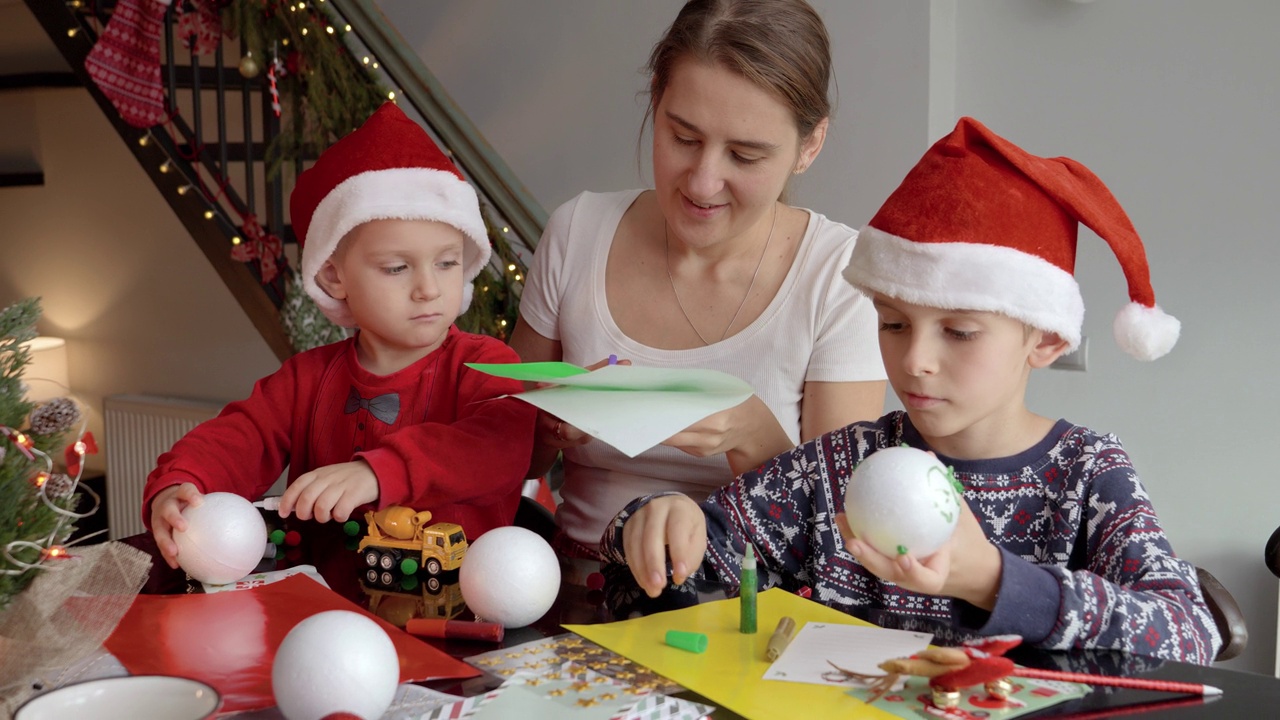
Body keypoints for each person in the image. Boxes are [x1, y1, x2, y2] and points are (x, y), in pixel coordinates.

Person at [602, 116, 1221, 664]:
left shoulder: (1086, 474)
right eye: (893, 323)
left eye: (959, 332)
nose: (915, 360)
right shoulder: (839, 465)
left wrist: (991, 580)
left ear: (1047, 341)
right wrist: (657, 519)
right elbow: (695, 550)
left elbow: (1190, 634)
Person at [510, 0, 887, 564]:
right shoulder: (577, 232)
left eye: (744, 154)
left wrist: (752, 432)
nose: (704, 182)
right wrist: (549, 425)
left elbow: (843, 537)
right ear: (655, 100)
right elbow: (500, 454)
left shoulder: (839, 275)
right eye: (683, 138)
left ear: (810, 145)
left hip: (747, 608)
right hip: (570, 586)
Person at [143, 103, 537, 569]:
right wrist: (180, 482)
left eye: (448, 262)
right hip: (322, 605)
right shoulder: (305, 380)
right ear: (334, 277)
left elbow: (497, 450)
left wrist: (378, 473)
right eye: (397, 267)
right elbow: (239, 437)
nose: (429, 288)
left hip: (458, 615)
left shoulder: (489, 365)